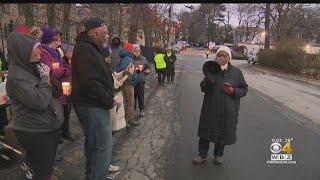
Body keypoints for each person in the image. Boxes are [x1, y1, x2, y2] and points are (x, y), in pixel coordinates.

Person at [6, 31, 64, 180]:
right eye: (36, 47)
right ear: (24, 51)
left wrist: (48, 73)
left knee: (45, 167)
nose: (41, 50)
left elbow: (56, 90)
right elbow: (40, 101)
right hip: (34, 130)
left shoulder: (32, 66)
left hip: (45, 126)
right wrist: (45, 78)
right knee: (42, 172)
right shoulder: (16, 76)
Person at [72, 17, 120, 180]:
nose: (108, 36)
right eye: (104, 33)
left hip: (93, 104)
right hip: (92, 105)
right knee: (103, 146)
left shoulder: (90, 47)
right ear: (94, 33)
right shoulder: (85, 49)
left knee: (94, 145)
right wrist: (109, 99)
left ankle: (94, 175)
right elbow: (89, 82)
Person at [193, 45, 248, 165]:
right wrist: (209, 80)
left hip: (227, 110)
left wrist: (233, 91)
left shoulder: (236, 72)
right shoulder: (211, 68)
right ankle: (202, 155)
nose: (221, 57)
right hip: (211, 108)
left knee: (222, 134)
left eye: (224, 55)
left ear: (229, 57)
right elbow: (203, 87)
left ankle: (218, 155)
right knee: (206, 133)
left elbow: (244, 89)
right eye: (219, 55)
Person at [103, 47, 134, 174]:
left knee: (110, 136)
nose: (111, 58)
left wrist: (125, 72)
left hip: (113, 104)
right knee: (108, 137)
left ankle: (106, 163)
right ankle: (105, 165)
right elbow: (115, 86)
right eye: (109, 57)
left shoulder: (107, 68)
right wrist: (128, 75)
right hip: (111, 105)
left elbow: (115, 76)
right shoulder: (103, 69)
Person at [118, 44, 140, 127]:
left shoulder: (128, 58)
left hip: (130, 84)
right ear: (130, 50)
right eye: (133, 49)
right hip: (128, 84)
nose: (134, 51)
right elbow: (124, 71)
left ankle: (130, 119)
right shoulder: (127, 59)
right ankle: (126, 121)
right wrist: (130, 77)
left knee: (131, 102)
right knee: (129, 103)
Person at [132, 44, 151, 117]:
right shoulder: (130, 59)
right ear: (133, 51)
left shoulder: (143, 59)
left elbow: (148, 67)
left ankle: (141, 110)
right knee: (133, 97)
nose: (137, 52)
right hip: (132, 81)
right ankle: (132, 111)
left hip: (141, 80)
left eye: (138, 51)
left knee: (141, 96)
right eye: (135, 51)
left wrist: (148, 71)